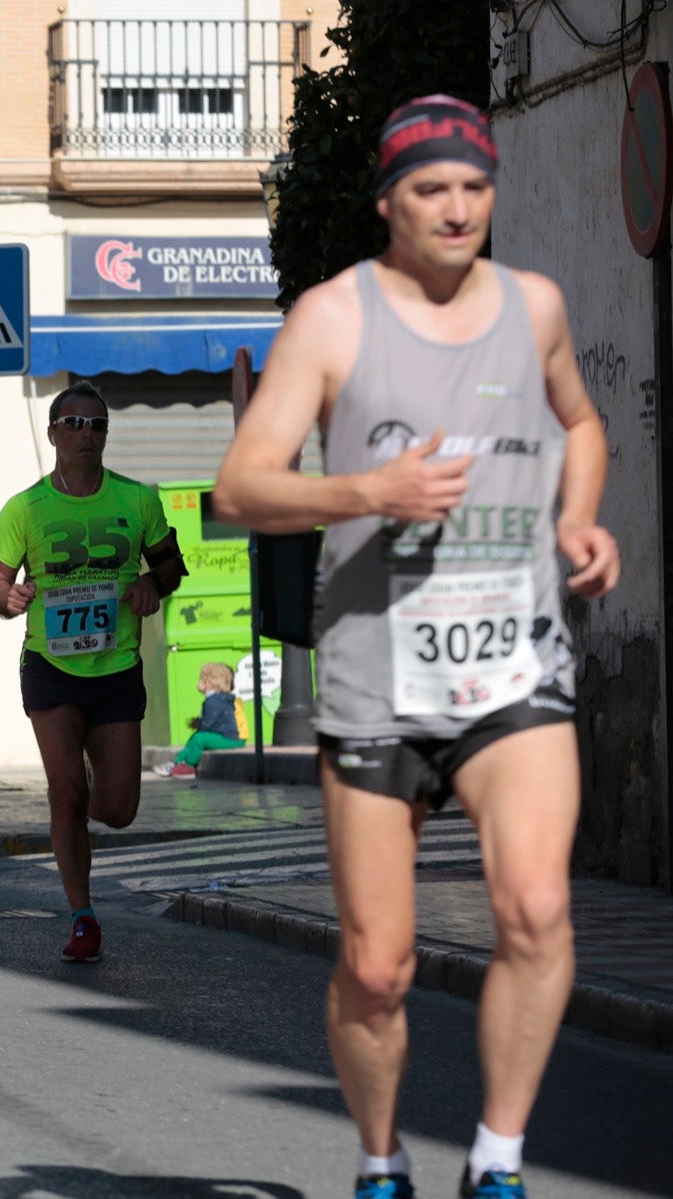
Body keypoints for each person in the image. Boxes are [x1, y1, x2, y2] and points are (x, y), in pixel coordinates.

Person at [211, 96, 620, 1199]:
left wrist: (579, 514)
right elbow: (239, 486)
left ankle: (496, 1158)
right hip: (378, 675)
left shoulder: (532, 305)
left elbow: (583, 422)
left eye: (475, 188)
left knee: (536, 907)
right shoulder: (332, 319)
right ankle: (382, 1156)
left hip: (514, 661)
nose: (456, 209)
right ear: (389, 200)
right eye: (431, 189)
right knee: (378, 965)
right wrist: (367, 490)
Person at [0, 378, 188, 964]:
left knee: (120, 808)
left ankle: (72, 811)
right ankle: (82, 917)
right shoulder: (25, 508)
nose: (86, 435)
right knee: (67, 790)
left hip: (117, 665)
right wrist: (8, 598)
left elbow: (173, 565)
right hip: (50, 665)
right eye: (74, 424)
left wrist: (153, 582)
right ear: (52, 433)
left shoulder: (136, 499)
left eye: (96, 425)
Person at [153, 661, 246, 779]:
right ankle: (178, 762)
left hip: (230, 739)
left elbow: (207, 725)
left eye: (201, 679)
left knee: (198, 738)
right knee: (195, 738)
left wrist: (199, 725)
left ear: (208, 683)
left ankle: (188, 766)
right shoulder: (216, 699)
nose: (199, 682)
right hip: (225, 737)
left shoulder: (214, 701)